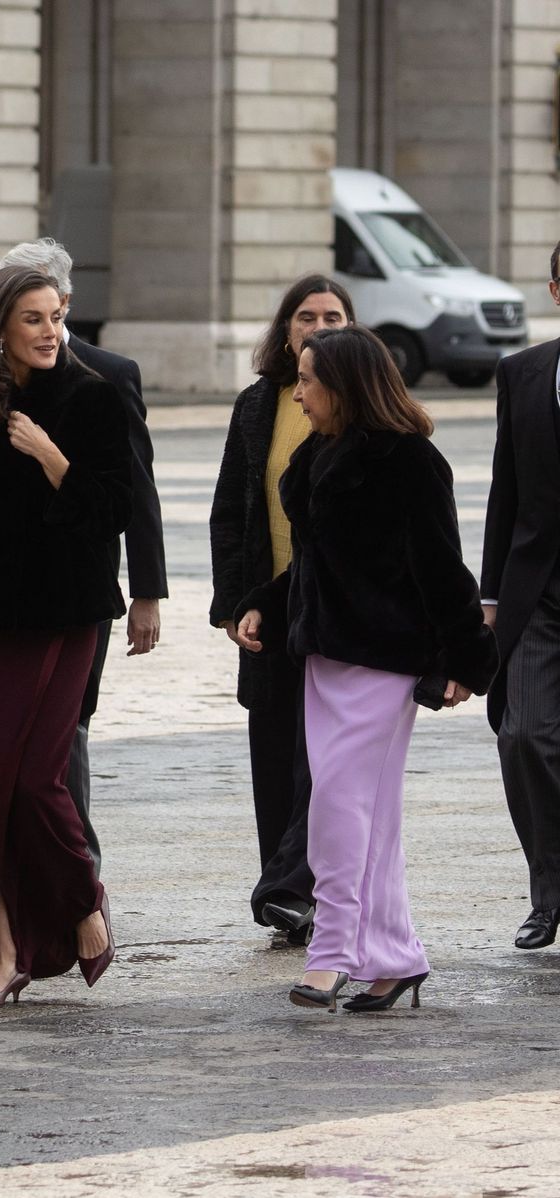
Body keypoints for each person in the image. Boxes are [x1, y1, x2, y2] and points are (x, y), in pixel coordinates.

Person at [234, 326, 497, 1012]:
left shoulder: (410, 460)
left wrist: (467, 659)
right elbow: (316, 565)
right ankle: (395, 954)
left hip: (384, 662)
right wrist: (267, 602)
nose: (299, 392)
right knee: (366, 813)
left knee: (339, 807)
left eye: (310, 380)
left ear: (346, 385)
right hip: (326, 656)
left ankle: (333, 953)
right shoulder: (321, 453)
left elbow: (442, 569)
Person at [0, 265, 131, 1010]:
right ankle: (3, 952)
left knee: (36, 781)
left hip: (66, 613)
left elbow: (112, 509)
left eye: (55, 318)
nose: (50, 332)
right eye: (34, 320)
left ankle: (81, 904)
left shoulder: (93, 398)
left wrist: (50, 456)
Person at [0, 238, 167, 875]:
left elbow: (138, 489)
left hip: (83, 584)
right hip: (4, 587)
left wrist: (146, 591)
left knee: (68, 725)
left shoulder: (109, 374)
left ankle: (76, 867)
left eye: (46, 306)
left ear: (64, 303)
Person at [210, 275, 354, 943]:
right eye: (306, 316)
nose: (318, 326)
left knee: (320, 757)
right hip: (269, 609)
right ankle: (286, 893)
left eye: (332, 315)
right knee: (272, 749)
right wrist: (237, 604)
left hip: (339, 614)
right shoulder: (258, 403)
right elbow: (229, 510)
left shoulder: (364, 407)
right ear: (285, 329)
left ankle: (298, 886)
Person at [481, 239, 560, 951]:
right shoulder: (524, 373)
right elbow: (505, 489)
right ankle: (548, 890)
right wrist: (488, 595)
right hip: (540, 593)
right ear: (555, 291)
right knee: (525, 738)